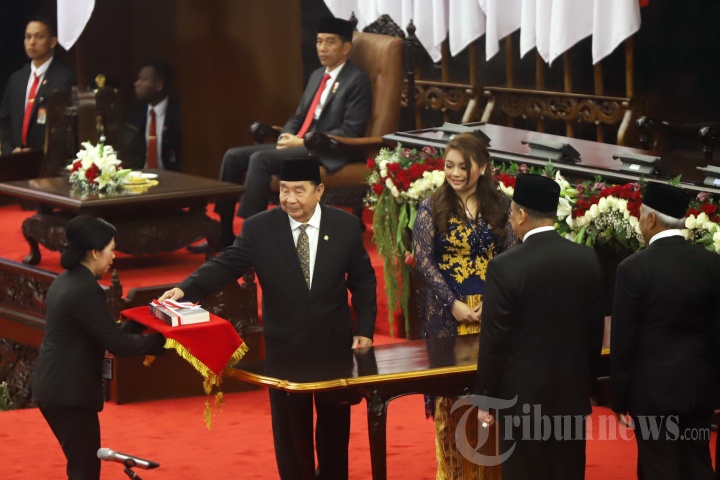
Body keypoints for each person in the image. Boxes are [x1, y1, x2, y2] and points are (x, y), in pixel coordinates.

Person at [159, 158, 377, 480]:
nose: (290, 199)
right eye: (284, 190)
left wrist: (365, 330)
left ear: (319, 191)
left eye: (299, 191)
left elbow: (363, 281)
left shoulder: (344, 226)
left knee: (334, 428)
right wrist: (185, 289)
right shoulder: (259, 228)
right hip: (285, 344)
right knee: (290, 432)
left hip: (332, 343)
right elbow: (226, 264)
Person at [475, 174, 604, 480]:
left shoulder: (504, 267)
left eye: (511, 213)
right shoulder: (586, 258)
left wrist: (485, 399)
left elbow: (494, 341)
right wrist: (588, 387)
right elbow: (594, 330)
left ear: (521, 214)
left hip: (521, 403)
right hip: (571, 398)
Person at [211, 17, 371, 248]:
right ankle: (224, 230)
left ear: (346, 48)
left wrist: (302, 142)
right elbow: (298, 116)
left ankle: (251, 238)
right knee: (232, 155)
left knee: (260, 159)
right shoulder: (317, 75)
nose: (322, 48)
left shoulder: (357, 80)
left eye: (330, 42)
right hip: (300, 144)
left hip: (328, 149)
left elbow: (351, 129)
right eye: (319, 41)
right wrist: (286, 136)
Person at [412, 133, 517, 479]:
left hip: (493, 311)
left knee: (491, 392)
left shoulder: (501, 205)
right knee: (452, 399)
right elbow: (424, 261)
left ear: (482, 167)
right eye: (449, 165)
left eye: (463, 166)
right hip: (447, 313)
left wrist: (495, 296)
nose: (455, 173)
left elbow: (513, 254)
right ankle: (454, 472)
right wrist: (452, 302)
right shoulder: (432, 206)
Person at [31, 216, 166, 480]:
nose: (114, 256)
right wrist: (164, 342)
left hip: (57, 387)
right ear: (94, 252)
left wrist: (141, 323)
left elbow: (104, 333)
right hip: (67, 393)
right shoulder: (84, 289)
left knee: (82, 464)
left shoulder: (67, 280)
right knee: (85, 469)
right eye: (111, 249)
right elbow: (118, 344)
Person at [610, 182, 720, 480]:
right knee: (697, 464)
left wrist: (619, 398)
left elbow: (623, 340)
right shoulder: (712, 263)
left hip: (652, 395)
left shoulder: (633, 268)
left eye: (640, 215)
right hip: (700, 389)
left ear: (651, 219)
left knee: (659, 468)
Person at [0, 16, 75, 155]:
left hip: (46, 158)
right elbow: (4, 120)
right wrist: (9, 150)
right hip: (15, 157)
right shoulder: (17, 78)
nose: (32, 42)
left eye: (39, 37)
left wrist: (38, 152)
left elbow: (67, 128)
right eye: (28, 37)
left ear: (52, 42)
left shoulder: (64, 79)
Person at [123, 60, 181, 171]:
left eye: (143, 79)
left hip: (173, 176)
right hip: (141, 176)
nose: (136, 84)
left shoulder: (178, 113)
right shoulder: (135, 113)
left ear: (158, 85)